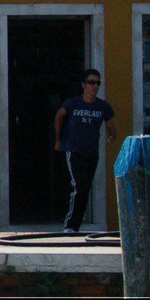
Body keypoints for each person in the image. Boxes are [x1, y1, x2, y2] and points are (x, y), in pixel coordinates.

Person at [53, 68, 116, 233]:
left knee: (85, 188)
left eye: (97, 83)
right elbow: (59, 117)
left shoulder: (103, 106)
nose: (94, 86)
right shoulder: (73, 103)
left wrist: (111, 136)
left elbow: (111, 126)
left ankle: (76, 226)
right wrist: (58, 140)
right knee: (79, 185)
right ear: (83, 85)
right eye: (91, 82)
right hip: (73, 150)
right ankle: (70, 225)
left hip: (91, 153)